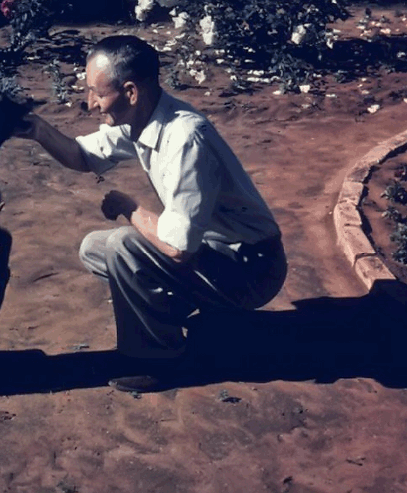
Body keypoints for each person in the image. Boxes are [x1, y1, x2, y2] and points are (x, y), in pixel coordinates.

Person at [15, 35, 287, 392]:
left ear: (130, 92)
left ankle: (158, 359)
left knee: (124, 247)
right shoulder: (142, 119)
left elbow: (177, 248)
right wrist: (37, 130)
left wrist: (129, 208)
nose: (90, 104)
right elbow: (82, 156)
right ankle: (203, 319)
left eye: (98, 93)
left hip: (251, 269)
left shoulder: (185, 138)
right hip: (219, 255)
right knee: (95, 248)